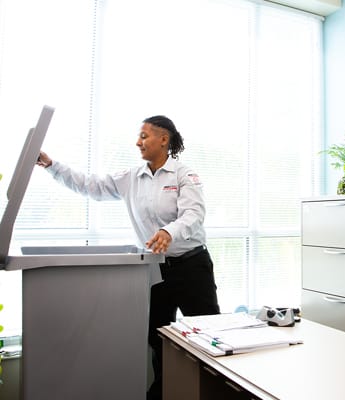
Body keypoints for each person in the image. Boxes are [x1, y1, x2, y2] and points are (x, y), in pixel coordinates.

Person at [36, 115, 220, 400]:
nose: (138, 142)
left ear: (164, 139)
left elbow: (194, 214)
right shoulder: (132, 178)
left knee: (209, 334)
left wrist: (168, 232)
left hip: (192, 267)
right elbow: (90, 185)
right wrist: (51, 165)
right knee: (158, 339)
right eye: (139, 136)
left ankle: (215, 392)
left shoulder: (184, 175)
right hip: (156, 271)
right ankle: (163, 393)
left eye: (145, 136)